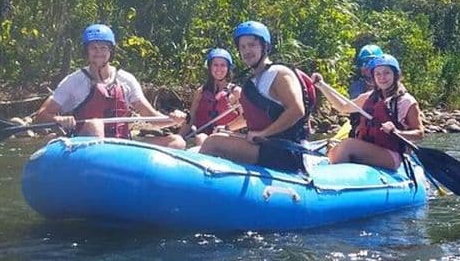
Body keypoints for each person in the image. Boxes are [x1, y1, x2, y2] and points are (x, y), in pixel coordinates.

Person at [34, 24, 186, 149]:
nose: (98, 52)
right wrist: (60, 120)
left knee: (177, 142)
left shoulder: (126, 79)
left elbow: (152, 118)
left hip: (121, 145)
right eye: (94, 48)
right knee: (95, 125)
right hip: (84, 146)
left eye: (103, 48)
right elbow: (41, 116)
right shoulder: (74, 81)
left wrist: (173, 119)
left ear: (110, 51)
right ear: (86, 51)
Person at [199, 20, 314, 171]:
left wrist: (263, 133)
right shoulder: (255, 79)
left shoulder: (279, 73)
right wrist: (227, 127)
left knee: (213, 143)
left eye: (252, 45)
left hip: (285, 151)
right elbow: (250, 117)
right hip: (265, 146)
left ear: (264, 46)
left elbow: (296, 111)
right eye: (243, 47)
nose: (247, 50)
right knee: (215, 138)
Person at [316, 54, 423, 169]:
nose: (382, 77)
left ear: (395, 75)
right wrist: (321, 86)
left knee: (347, 146)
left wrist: (397, 131)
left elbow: (419, 133)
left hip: (392, 155)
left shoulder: (406, 101)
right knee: (334, 151)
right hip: (369, 148)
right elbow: (342, 107)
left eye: (387, 72)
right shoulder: (368, 98)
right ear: (373, 77)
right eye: (378, 74)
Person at [178, 48, 243, 145]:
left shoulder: (236, 92)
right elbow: (189, 120)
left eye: (223, 65)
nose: (219, 69)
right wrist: (179, 138)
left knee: (201, 138)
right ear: (210, 67)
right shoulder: (201, 92)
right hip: (202, 136)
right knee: (200, 137)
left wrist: (227, 127)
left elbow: (246, 119)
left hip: (226, 137)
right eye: (215, 65)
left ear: (228, 68)